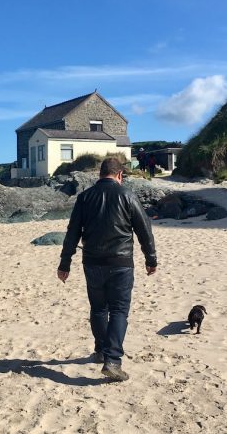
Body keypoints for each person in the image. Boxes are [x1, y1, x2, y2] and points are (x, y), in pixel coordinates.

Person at [57, 157, 157, 381]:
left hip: (92, 263)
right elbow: (144, 230)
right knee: (119, 311)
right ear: (120, 175)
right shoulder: (127, 195)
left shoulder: (84, 197)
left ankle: (101, 350)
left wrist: (65, 264)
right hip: (120, 264)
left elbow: (72, 232)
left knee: (99, 309)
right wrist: (151, 259)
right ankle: (112, 360)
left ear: (100, 175)